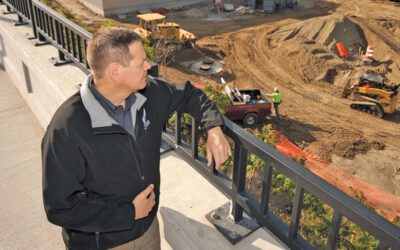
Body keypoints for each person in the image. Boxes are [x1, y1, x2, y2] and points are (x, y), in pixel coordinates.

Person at [41, 27, 231, 250]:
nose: (148, 66)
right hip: (102, 243)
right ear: (115, 72)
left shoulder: (150, 93)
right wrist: (128, 214)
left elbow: (190, 94)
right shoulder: (66, 129)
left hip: (148, 232)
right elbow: (61, 207)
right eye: (141, 63)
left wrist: (214, 129)